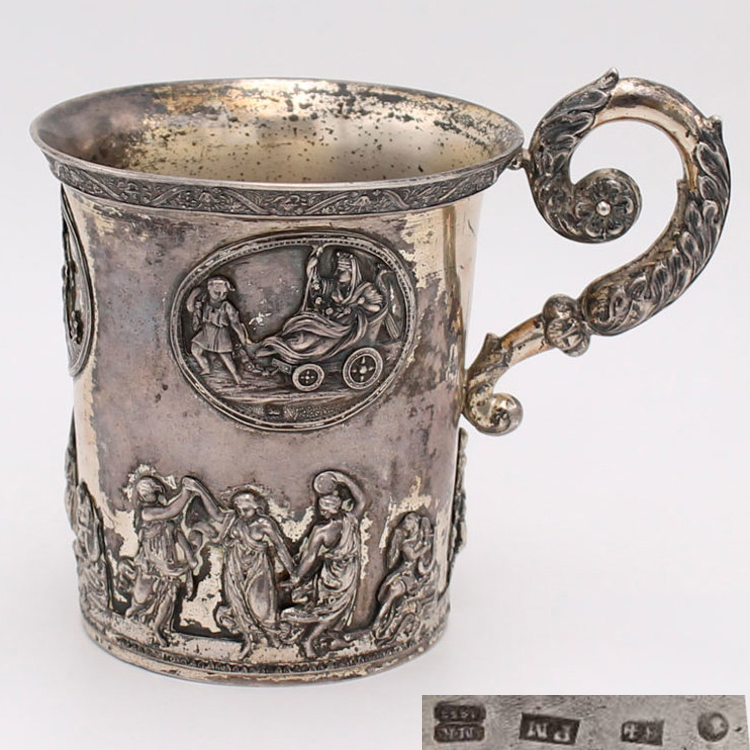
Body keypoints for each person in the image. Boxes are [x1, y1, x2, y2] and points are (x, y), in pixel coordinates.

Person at [124, 475, 223, 646]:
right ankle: (131, 615)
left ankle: (157, 628)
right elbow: (170, 511)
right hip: (152, 562)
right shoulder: (147, 513)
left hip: (168, 563)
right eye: (153, 493)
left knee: (169, 596)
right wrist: (185, 492)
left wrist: (189, 555)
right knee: (141, 597)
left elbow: (176, 532)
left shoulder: (165, 521)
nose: (156, 496)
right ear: (144, 496)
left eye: (156, 493)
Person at [255, 248, 394, 367]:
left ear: (352, 272)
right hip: (327, 322)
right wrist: (311, 268)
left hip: (343, 330)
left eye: (342, 271)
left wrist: (362, 303)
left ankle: (278, 348)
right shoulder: (334, 285)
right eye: (337, 269)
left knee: (308, 341)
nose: (337, 273)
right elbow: (316, 285)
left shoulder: (366, 289)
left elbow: (378, 307)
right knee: (301, 327)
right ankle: (275, 346)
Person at [281, 470, 366, 659]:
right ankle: (308, 640)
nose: (322, 512)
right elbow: (310, 557)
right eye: (321, 508)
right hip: (335, 575)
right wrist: (296, 578)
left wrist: (342, 479)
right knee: (330, 610)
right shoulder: (338, 524)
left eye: (325, 509)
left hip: (347, 572)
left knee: (338, 609)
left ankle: (331, 635)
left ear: (334, 508)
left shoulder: (346, 521)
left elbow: (362, 501)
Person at [215, 489, 295, 658]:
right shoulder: (236, 520)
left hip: (258, 568)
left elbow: (280, 547)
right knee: (238, 604)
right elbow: (221, 528)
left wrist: (293, 573)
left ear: (256, 507)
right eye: (239, 510)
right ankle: (250, 640)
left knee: (261, 604)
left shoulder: (265, 523)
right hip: (235, 567)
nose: (242, 514)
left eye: (246, 509)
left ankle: (273, 636)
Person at [372, 512, 436, 640]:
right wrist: (425, 548)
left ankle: (380, 622)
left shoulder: (417, 541)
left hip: (411, 575)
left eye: (408, 521)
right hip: (405, 574)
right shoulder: (406, 544)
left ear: (414, 524)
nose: (404, 524)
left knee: (392, 596)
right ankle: (378, 622)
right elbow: (413, 556)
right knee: (391, 595)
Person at [188, 276, 250, 384]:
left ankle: (237, 376)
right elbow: (191, 308)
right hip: (207, 332)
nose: (221, 296)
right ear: (209, 289)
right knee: (195, 349)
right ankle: (206, 367)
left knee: (226, 357)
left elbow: (235, 323)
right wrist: (195, 302)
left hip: (220, 334)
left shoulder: (226, 306)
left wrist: (242, 336)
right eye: (217, 293)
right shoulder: (204, 302)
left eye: (224, 293)